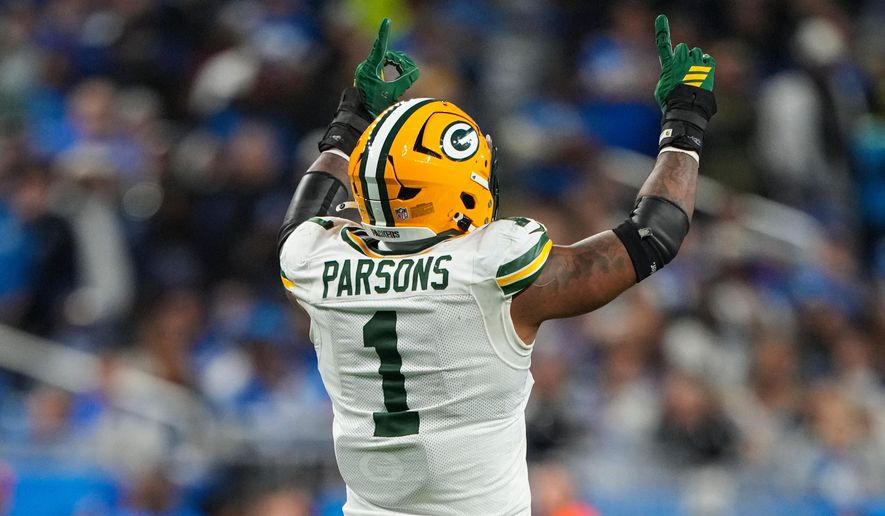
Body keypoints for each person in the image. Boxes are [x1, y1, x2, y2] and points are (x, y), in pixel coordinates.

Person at [278, 15, 716, 515]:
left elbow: (301, 222)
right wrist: (685, 123)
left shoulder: (319, 263)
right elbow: (652, 235)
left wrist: (349, 123)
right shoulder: (489, 271)